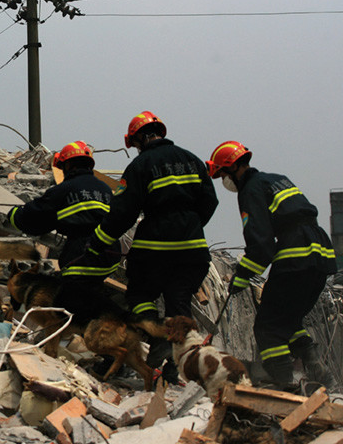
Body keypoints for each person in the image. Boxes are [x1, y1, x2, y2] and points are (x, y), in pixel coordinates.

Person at [86, 111, 219, 379]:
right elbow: (210, 202)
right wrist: (189, 226)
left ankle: (157, 335)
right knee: (179, 304)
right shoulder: (192, 160)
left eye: (134, 144)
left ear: (137, 139)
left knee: (139, 296)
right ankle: (175, 368)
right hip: (193, 250)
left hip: (154, 250)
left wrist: (97, 242)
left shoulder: (141, 166)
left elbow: (123, 211)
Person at [206, 140, 337, 389]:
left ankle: (283, 383)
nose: (224, 180)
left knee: (267, 327)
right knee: (289, 319)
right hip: (321, 254)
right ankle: (318, 368)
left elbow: (261, 245)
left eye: (222, 174)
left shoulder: (251, 190)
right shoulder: (277, 179)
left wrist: (242, 276)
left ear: (232, 168)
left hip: (296, 255)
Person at [7, 141, 123, 323]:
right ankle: (95, 326)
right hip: (111, 253)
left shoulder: (63, 190)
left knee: (71, 299)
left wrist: (13, 214)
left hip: (83, 252)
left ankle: (77, 331)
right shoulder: (105, 189)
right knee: (91, 293)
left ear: (68, 164)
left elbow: (35, 216)